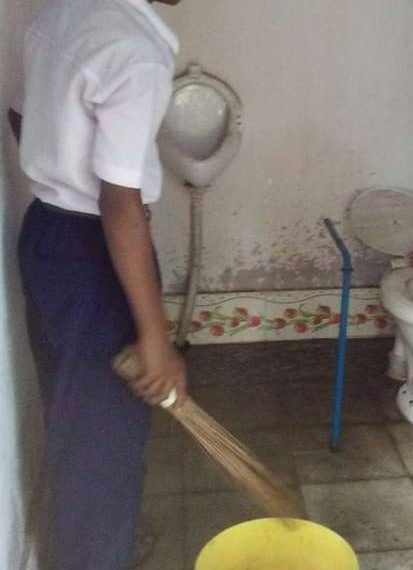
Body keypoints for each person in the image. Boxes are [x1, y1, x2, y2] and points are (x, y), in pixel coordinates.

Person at [8, 0, 187, 567]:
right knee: (105, 444)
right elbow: (119, 204)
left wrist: (56, 173)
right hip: (96, 255)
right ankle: (96, 552)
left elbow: (20, 115)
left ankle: (89, 544)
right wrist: (156, 337)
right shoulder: (137, 52)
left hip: (47, 233)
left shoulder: (62, 13)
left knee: (75, 421)